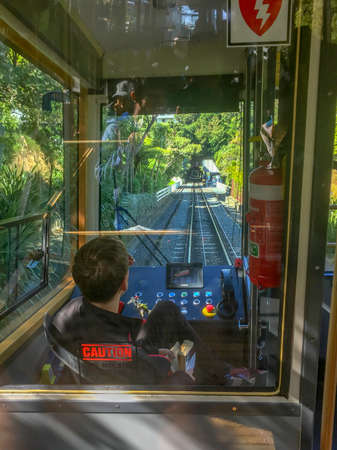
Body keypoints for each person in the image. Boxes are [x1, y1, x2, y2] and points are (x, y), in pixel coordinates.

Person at [51, 236, 199, 385]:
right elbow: (154, 384)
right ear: (124, 284)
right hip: (134, 385)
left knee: (165, 308)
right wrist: (184, 377)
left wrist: (152, 351)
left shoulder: (66, 314)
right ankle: (217, 377)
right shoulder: (140, 363)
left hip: (106, 363)